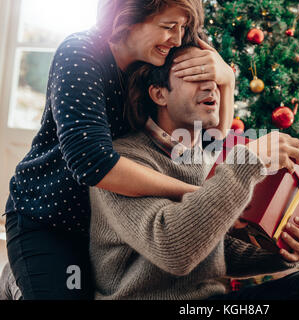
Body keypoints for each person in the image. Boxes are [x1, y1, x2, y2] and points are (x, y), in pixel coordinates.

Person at [3, 0, 235, 300]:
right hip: (50, 220)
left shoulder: (156, 60)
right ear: (128, 18)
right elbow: (91, 161)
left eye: (183, 28)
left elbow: (210, 139)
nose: (178, 39)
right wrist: (194, 194)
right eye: (168, 27)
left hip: (108, 231)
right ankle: (18, 279)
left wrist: (227, 80)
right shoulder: (81, 54)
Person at [88, 44, 299, 300]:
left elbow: (215, 252)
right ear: (159, 93)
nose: (212, 88)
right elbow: (175, 251)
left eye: (217, 80)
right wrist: (249, 160)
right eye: (196, 77)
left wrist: (282, 252)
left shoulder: (203, 159)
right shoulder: (121, 160)